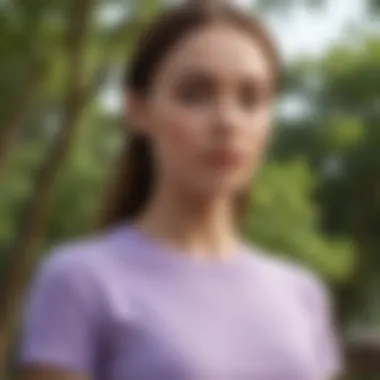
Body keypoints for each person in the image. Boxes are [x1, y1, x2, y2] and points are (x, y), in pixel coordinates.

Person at [17, 1, 342, 379]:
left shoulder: (302, 295)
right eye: (194, 94)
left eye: (251, 99)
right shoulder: (80, 281)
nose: (228, 121)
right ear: (138, 110)